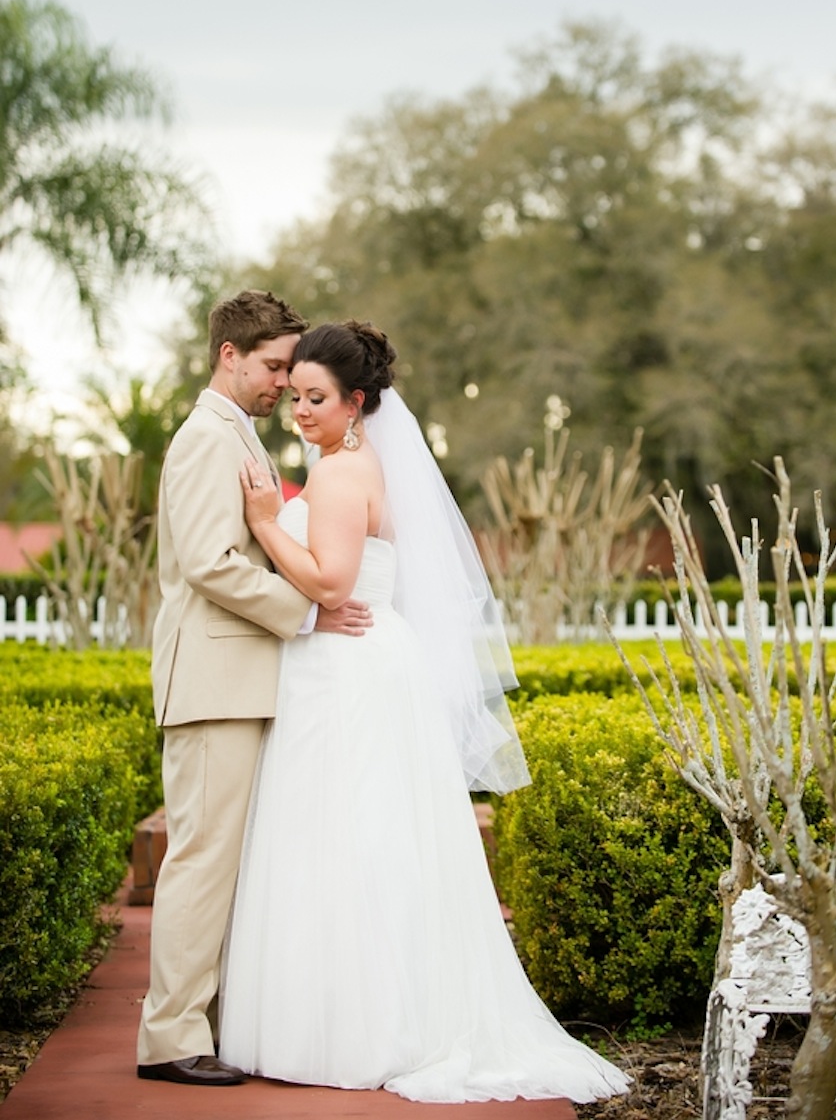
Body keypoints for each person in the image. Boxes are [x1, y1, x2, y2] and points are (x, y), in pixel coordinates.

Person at [218, 319, 630, 1103]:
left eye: (316, 398)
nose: (300, 410)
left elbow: (334, 585)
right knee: (366, 836)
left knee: (341, 837)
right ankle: (374, 1011)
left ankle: (352, 1026)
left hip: (345, 671)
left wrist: (269, 521)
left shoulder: (340, 476)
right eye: (297, 395)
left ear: (357, 401)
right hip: (363, 664)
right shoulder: (358, 462)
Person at [137, 291, 372, 1087]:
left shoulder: (239, 434)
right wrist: (308, 610)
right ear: (229, 356)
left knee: (225, 861)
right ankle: (170, 1038)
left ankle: (208, 1020)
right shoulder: (208, 437)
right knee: (201, 860)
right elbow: (209, 560)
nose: (283, 383)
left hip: (240, 678)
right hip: (213, 681)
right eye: (273, 366)